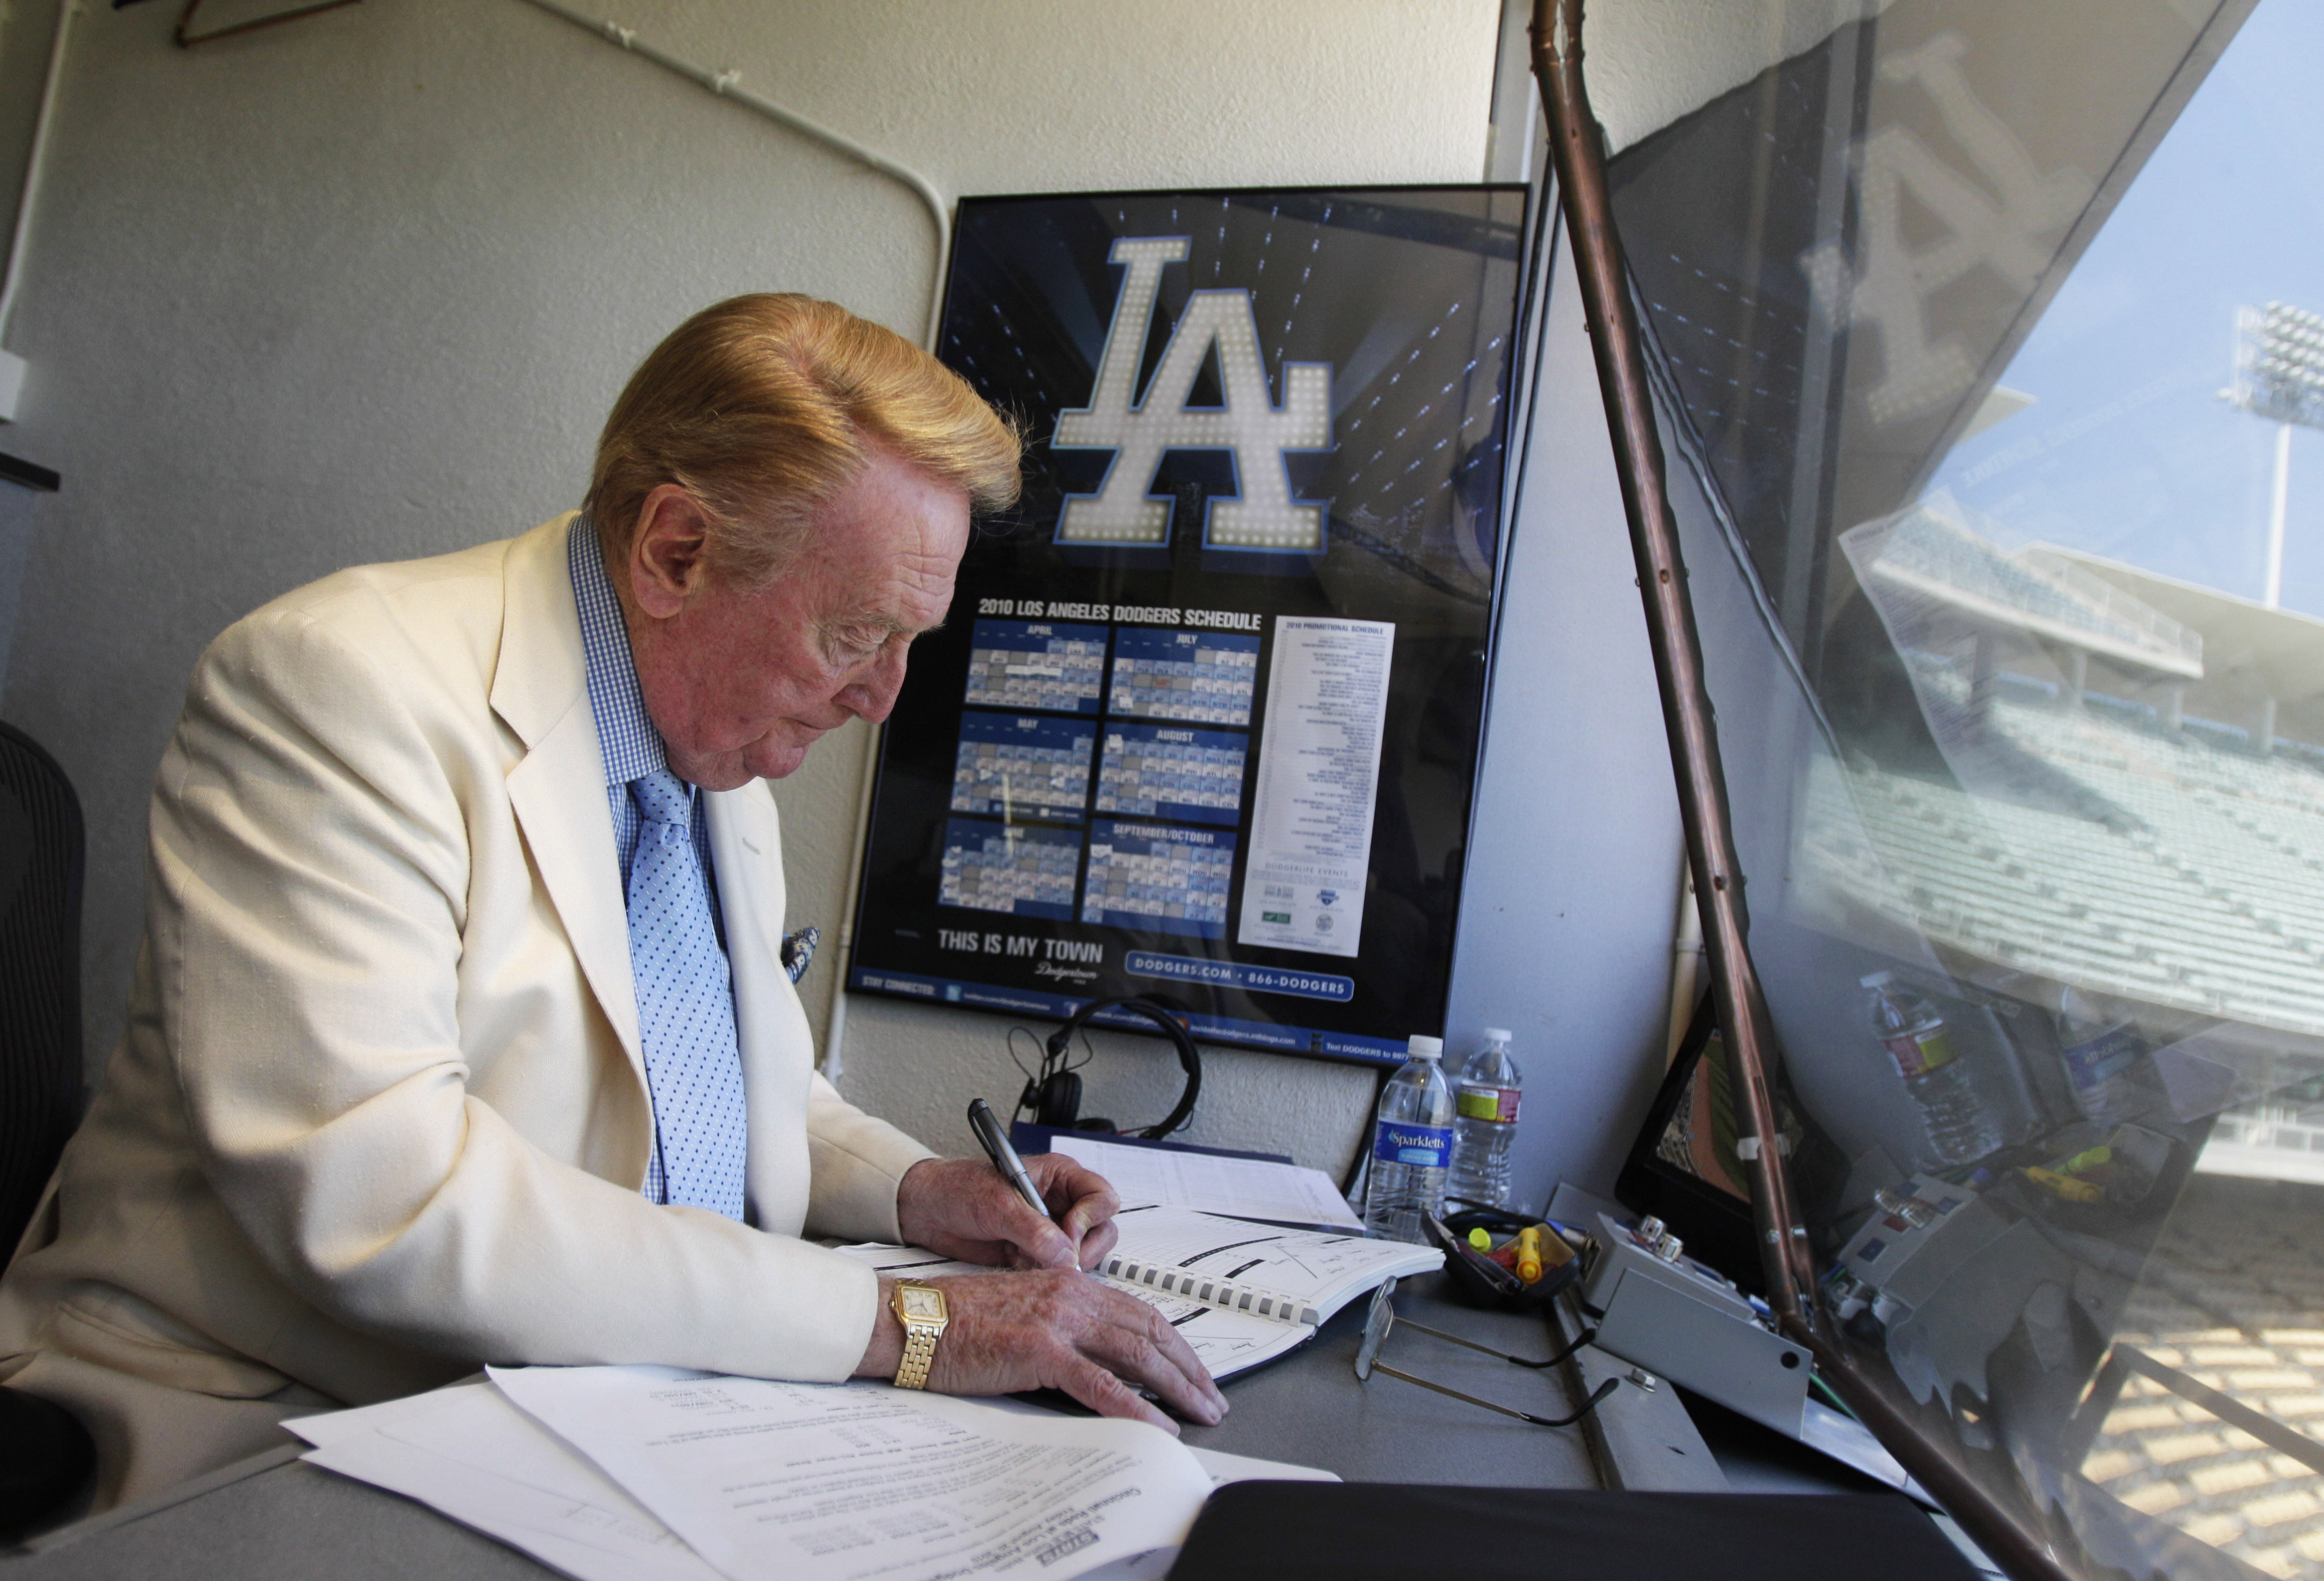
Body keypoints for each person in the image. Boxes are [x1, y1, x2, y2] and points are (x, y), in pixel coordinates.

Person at [0, 294, 1223, 1511]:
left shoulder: (712, 738)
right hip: (269, 1428)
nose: (881, 699)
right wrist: (905, 1322)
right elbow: (385, 1197)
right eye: (858, 633)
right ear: (677, 551)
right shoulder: (339, 690)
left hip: (594, 1413)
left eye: (911, 641)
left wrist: (919, 1192)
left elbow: (716, 1085)